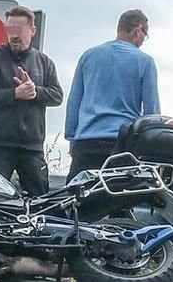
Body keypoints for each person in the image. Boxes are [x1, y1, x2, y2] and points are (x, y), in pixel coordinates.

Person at [0, 5, 62, 196]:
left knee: (41, 200)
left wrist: (34, 92)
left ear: (32, 31)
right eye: (10, 30)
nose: (14, 36)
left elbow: (57, 95)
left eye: (19, 31)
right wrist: (14, 94)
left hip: (32, 147)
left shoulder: (45, 62)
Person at [64, 9, 159, 176]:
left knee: (78, 198)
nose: (144, 40)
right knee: (118, 200)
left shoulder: (88, 56)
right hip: (122, 145)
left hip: (86, 141)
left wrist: (72, 137)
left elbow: (74, 101)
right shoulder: (145, 62)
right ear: (138, 30)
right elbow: (152, 112)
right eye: (145, 34)